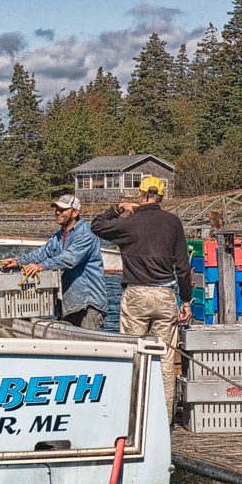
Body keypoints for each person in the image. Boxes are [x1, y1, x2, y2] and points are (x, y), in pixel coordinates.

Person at [91, 176, 193, 424]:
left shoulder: (129, 223)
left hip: (136, 294)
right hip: (165, 294)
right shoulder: (173, 223)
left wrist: (119, 209)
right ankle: (165, 420)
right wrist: (186, 301)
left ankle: (134, 420)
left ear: (140, 195)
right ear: (162, 197)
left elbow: (96, 224)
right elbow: (182, 265)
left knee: (134, 355)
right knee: (166, 361)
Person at [1, 194, 107, 331]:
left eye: (62, 209)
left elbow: (69, 259)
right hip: (67, 305)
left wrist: (42, 266)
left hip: (88, 306)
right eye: (56, 209)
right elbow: (42, 253)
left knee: (90, 347)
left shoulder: (86, 234)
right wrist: (18, 261)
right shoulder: (58, 236)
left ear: (75, 213)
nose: (57, 212)